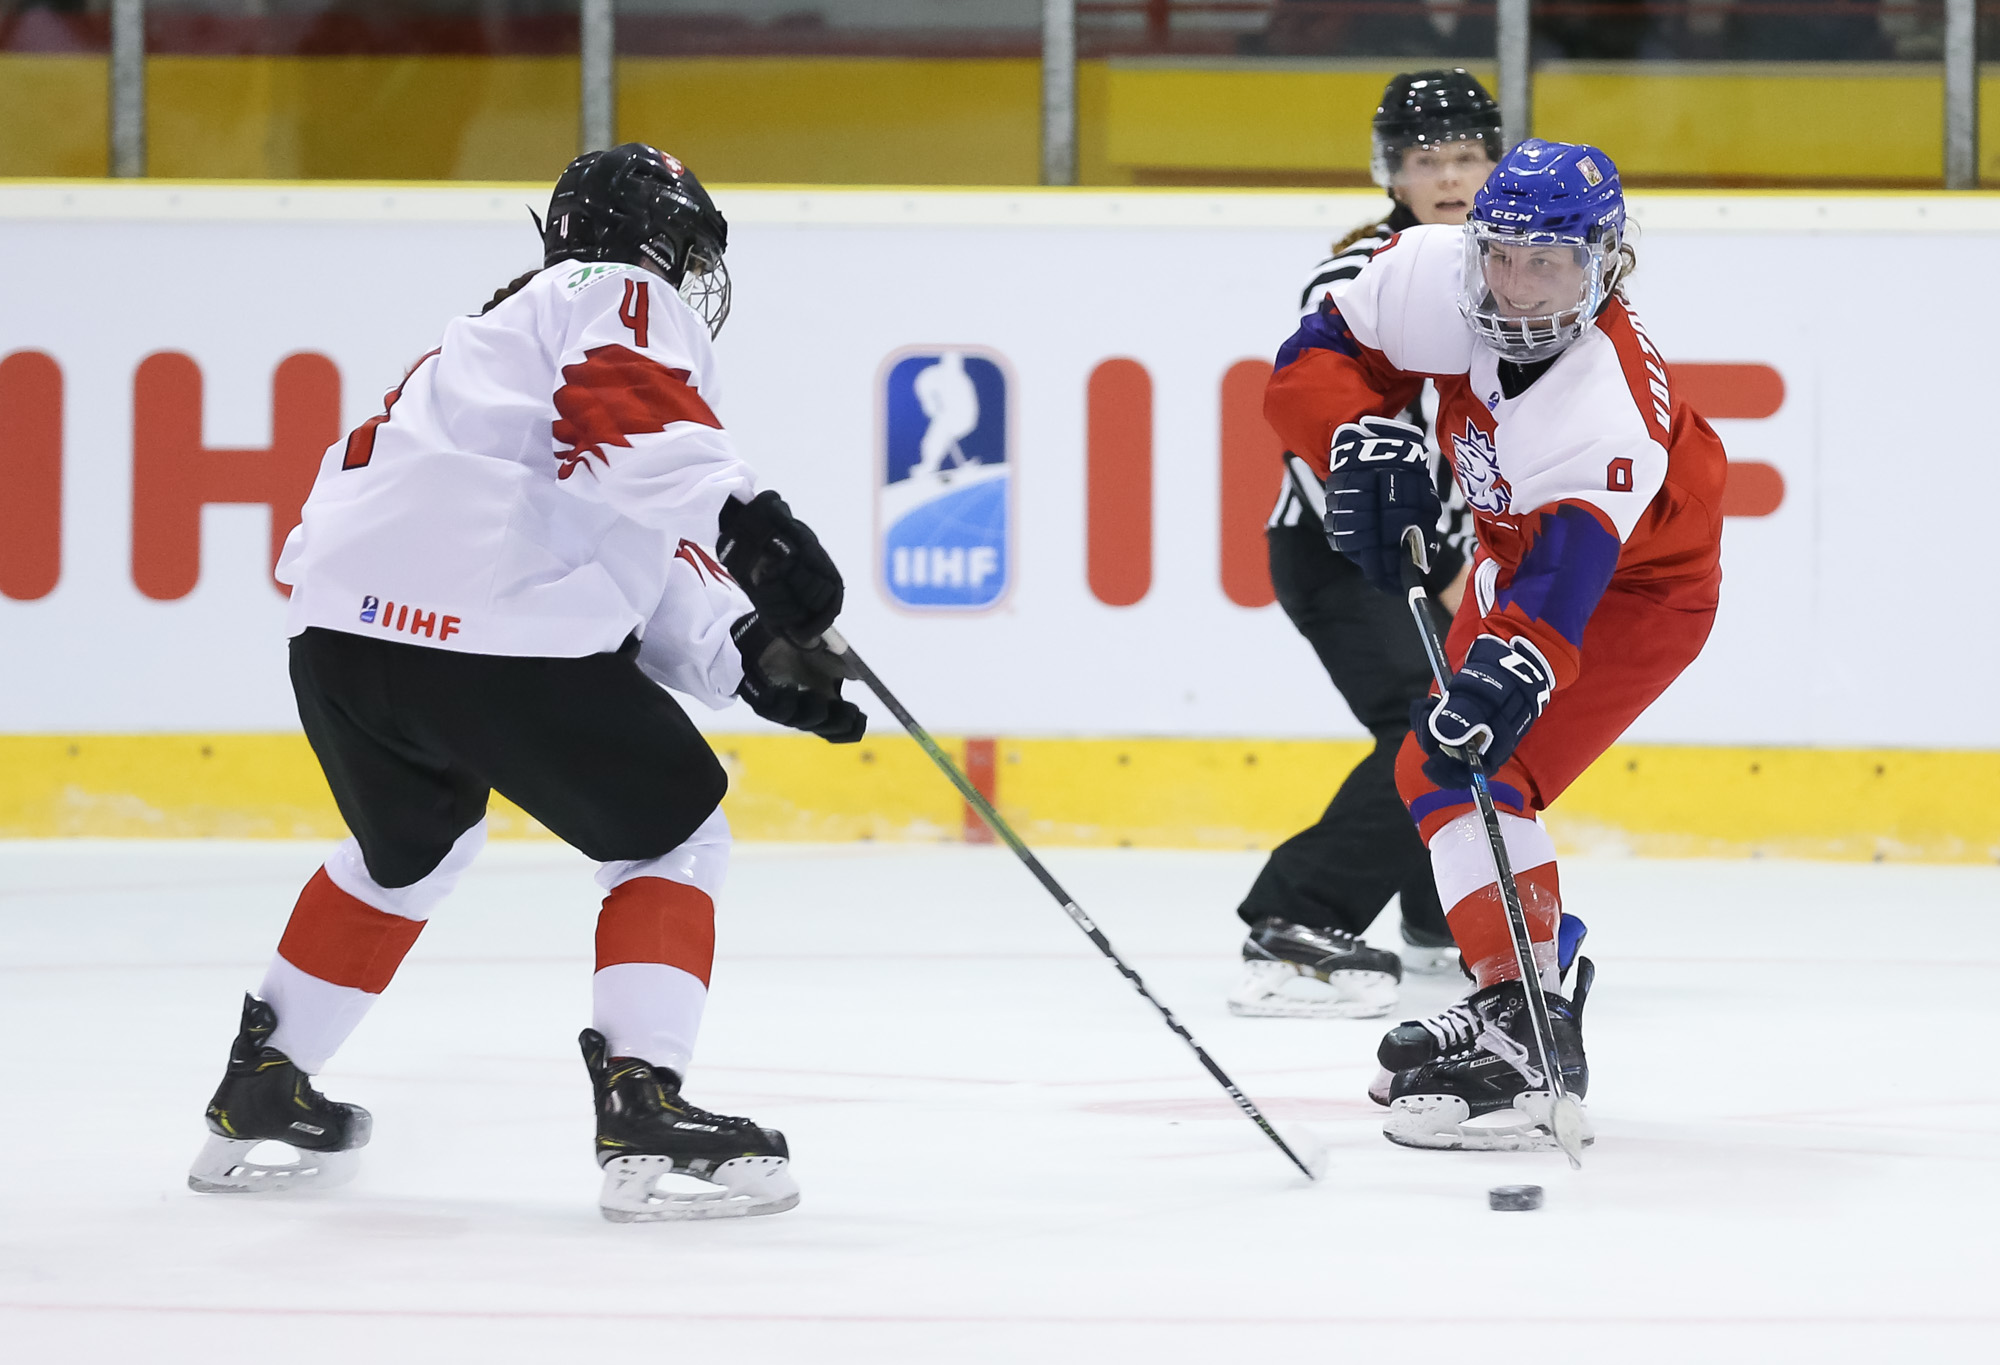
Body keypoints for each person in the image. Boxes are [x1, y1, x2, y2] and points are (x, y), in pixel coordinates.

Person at [186, 144, 865, 1221]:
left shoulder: (476, 350)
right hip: (481, 633)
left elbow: (605, 537)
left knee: (408, 850)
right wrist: (748, 521)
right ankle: (642, 1096)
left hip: (339, 642)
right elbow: (625, 416)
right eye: (683, 248)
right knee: (671, 834)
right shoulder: (614, 292)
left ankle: (262, 1084)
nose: (685, 276)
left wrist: (745, 656)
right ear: (654, 237)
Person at [1264, 138, 1725, 1151]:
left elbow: (1563, 587)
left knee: (1477, 757)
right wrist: (1352, 430)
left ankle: (1527, 1039)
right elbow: (1309, 360)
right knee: (1431, 769)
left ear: (1603, 263)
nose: (1514, 288)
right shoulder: (1437, 270)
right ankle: (1514, 999)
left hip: (1632, 589)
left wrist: (1514, 664)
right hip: (1511, 553)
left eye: (1547, 263)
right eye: (1501, 256)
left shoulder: (1606, 405)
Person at [1227, 70, 1495, 1022]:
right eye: (1429, 159)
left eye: (1468, 155)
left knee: (1480, 713)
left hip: (1443, 554)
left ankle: (1435, 910)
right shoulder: (1359, 276)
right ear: (1393, 173)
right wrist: (1428, 555)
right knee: (1435, 721)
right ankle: (1298, 914)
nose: (1452, 177)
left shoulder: (1518, 270)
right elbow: (1318, 417)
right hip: (1346, 553)